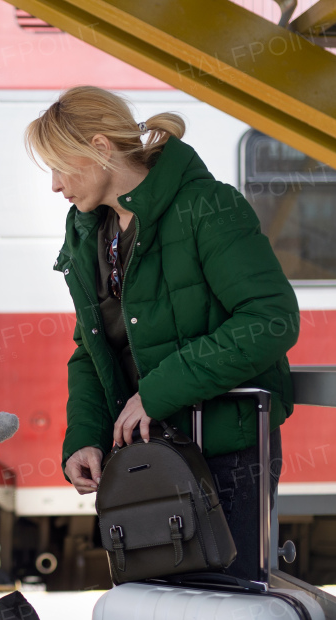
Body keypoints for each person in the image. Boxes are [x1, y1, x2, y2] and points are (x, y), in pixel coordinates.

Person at [24, 86, 300, 576]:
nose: (55, 185)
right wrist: (84, 437)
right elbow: (91, 351)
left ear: (101, 148)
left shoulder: (208, 207)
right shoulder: (91, 230)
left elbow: (271, 320)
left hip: (228, 454)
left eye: (61, 166)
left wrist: (156, 393)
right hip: (148, 460)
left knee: (224, 612)